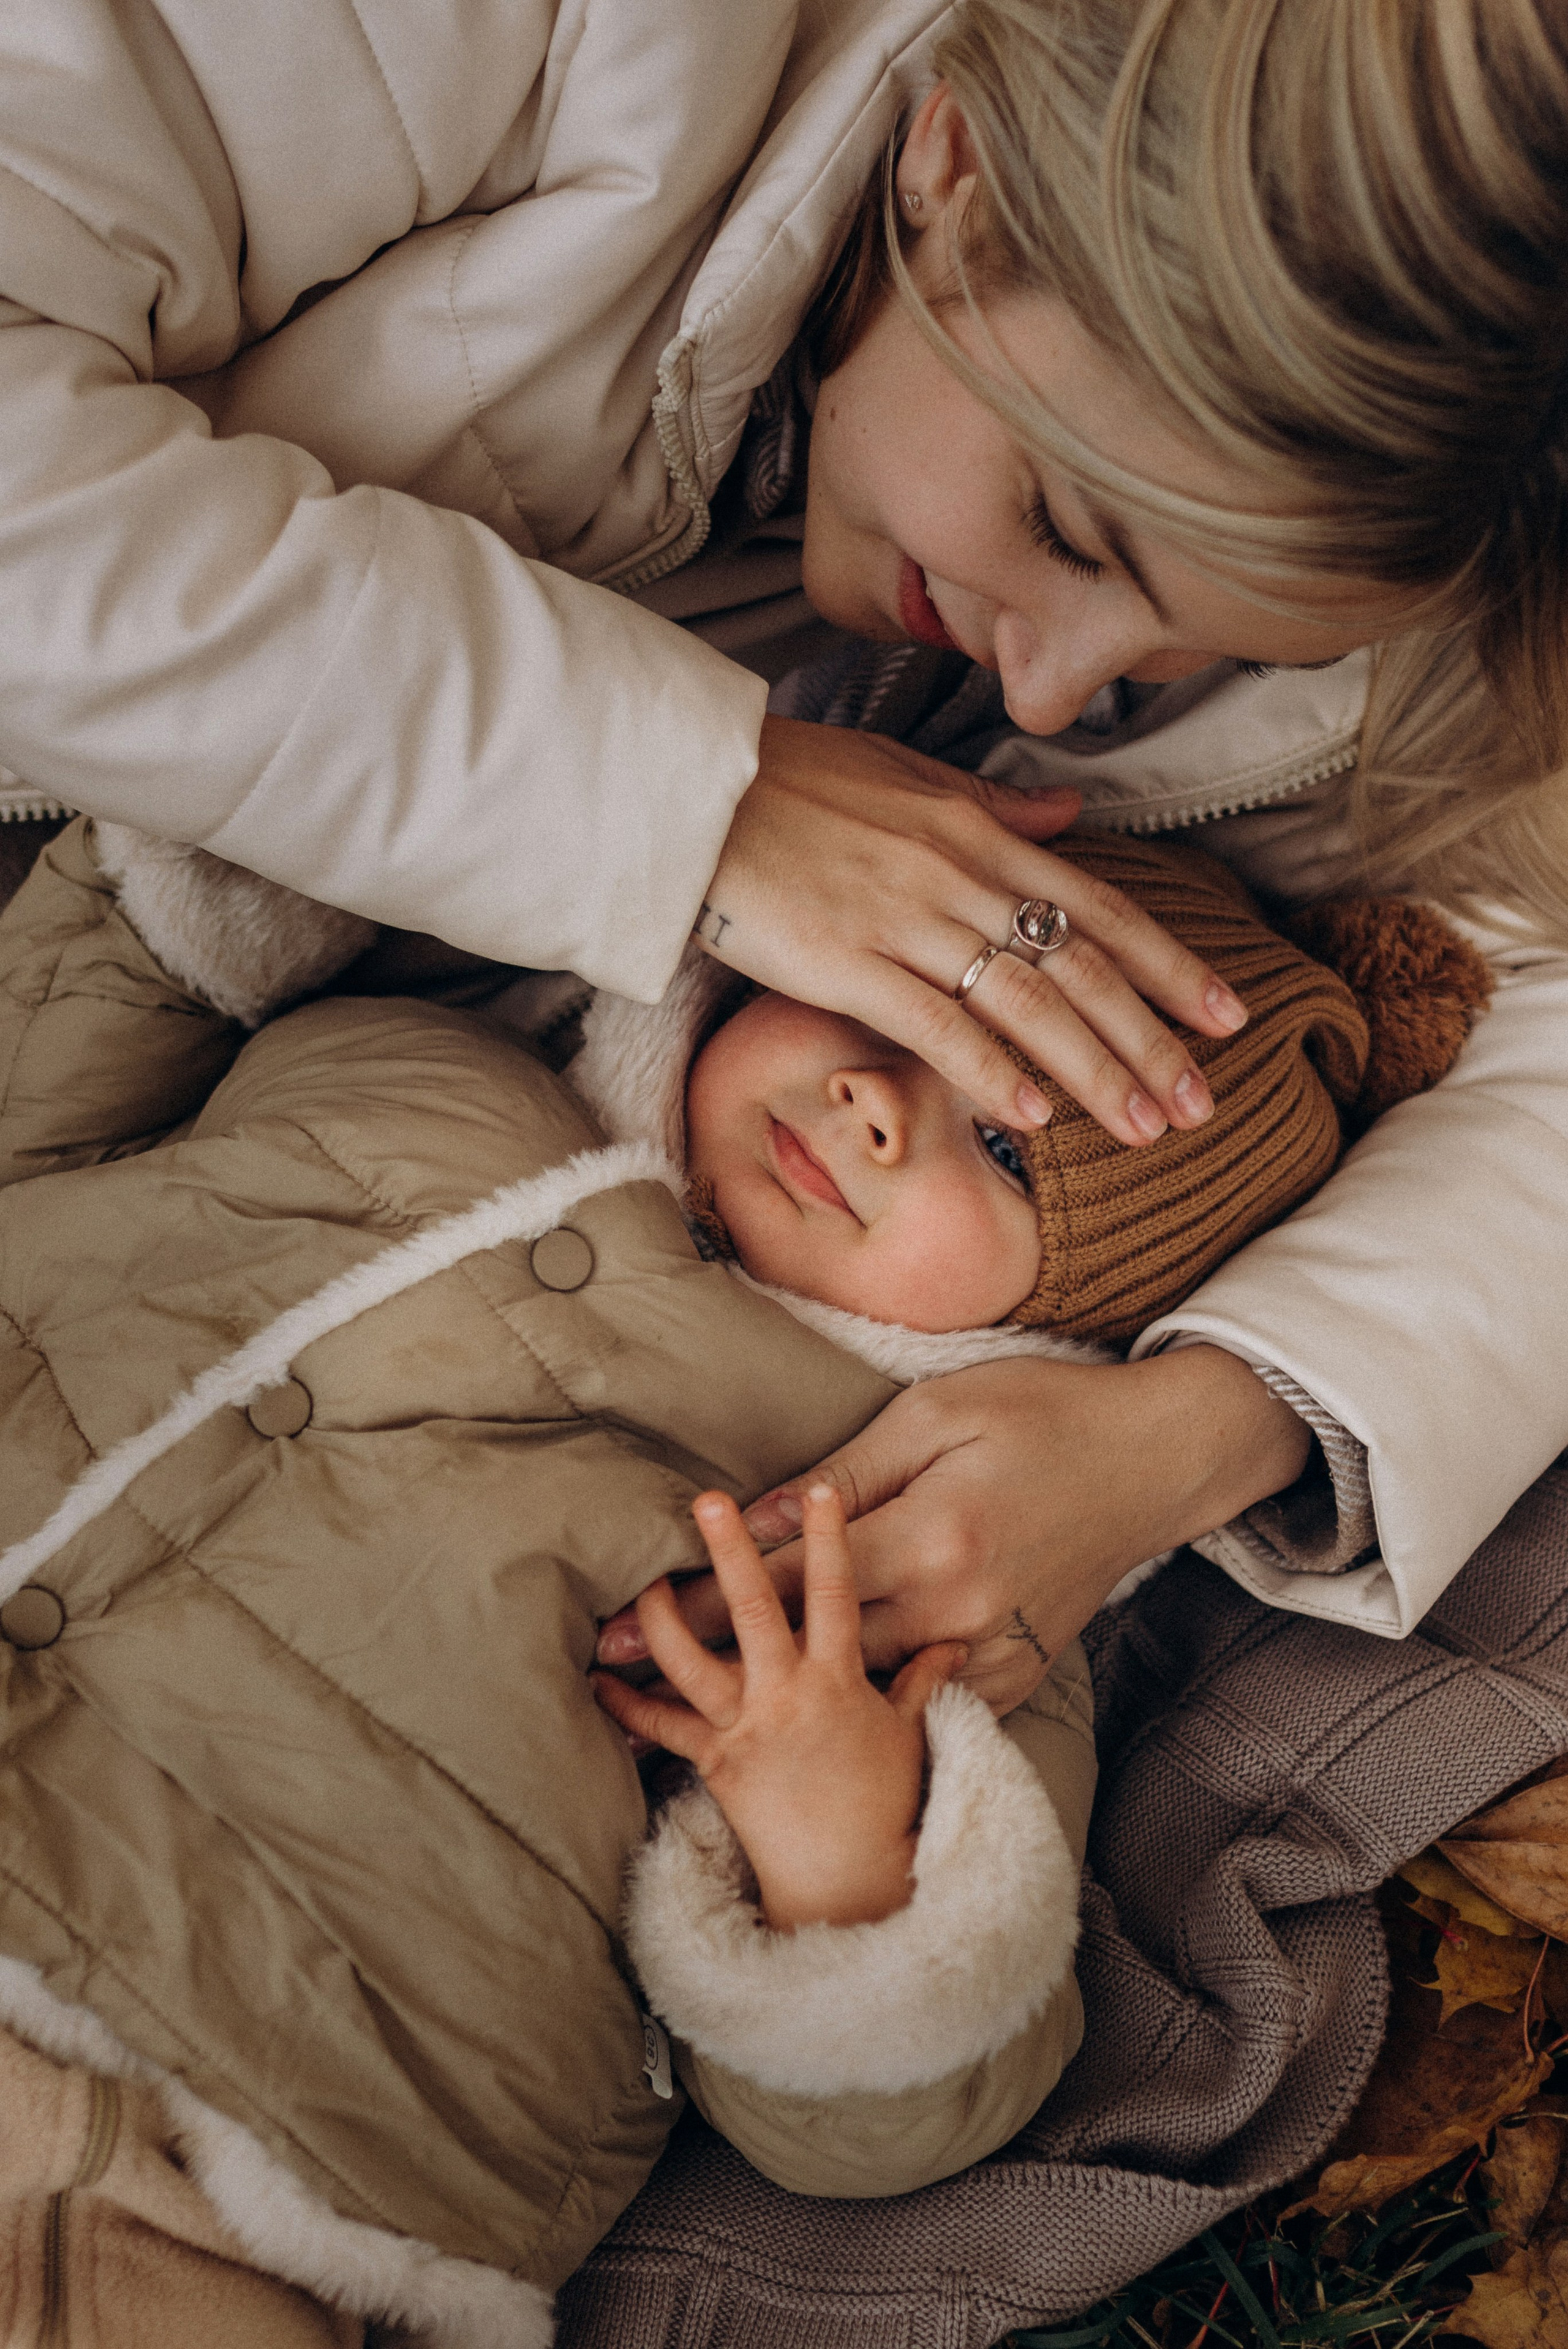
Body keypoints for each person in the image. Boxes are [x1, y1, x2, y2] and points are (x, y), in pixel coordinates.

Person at [1, 4, 1564, 1706]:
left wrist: (1193, 1430)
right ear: (952, 164)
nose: (1041, 680)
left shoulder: (1432, 522)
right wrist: (688, 802)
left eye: (1178, 648)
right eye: (1064, 525)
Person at [0, 811, 1485, 2343]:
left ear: (1075, 1312)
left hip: (229, 2106)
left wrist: (838, 1857)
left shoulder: (919, 1574)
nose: (872, 1103)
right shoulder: (414, 1061)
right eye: (913, 1014)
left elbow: (892, 2107)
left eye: (997, 1149)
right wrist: (262, 858)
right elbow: (63, 1047)